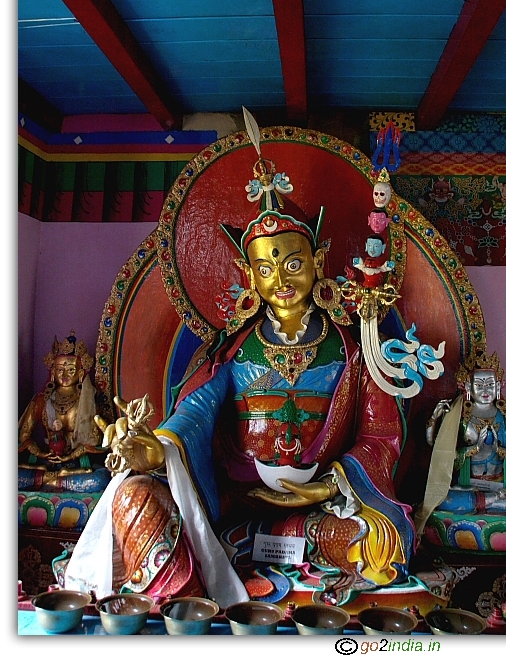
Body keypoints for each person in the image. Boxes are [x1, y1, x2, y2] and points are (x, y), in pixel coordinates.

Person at [64, 133, 442, 608]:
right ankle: (187, 598)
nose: (280, 279)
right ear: (249, 275)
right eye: (265, 268)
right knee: (134, 496)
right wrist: (154, 451)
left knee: (381, 543)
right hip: (234, 505)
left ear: (318, 260)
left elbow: (379, 435)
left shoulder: (354, 351)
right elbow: (194, 415)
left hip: (320, 511)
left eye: (292, 261)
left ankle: (208, 577)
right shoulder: (233, 354)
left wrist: (330, 485)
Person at [415, 350, 506, 535]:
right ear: (468, 388)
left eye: (489, 384)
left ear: (499, 386)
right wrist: (473, 449)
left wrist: (502, 451)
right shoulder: (460, 418)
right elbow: (442, 455)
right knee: (439, 499)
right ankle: (497, 502)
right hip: (468, 486)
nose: (485, 390)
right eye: (479, 385)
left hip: (505, 484)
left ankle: (491, 502)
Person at [18, 332, 110, 492]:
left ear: (80, 373)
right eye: (60, 370)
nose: (65, 375)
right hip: (46, 462)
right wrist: (40, 453)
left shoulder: (88, 400)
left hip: (76, 464)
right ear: (52, 372)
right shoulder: (41, 400)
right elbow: (23, 436)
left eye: (70, 370)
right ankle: (53, 479)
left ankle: (52, 482)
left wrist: (71, 456)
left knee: (102, 478)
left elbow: (94, 441)